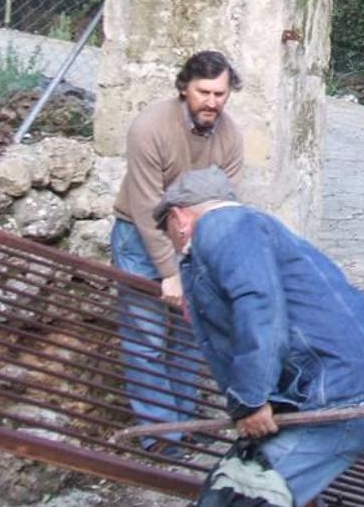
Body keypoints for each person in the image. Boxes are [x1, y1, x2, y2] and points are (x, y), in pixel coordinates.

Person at [155, 167, 364, 505]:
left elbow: (259, 306)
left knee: (243, 496)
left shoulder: (223, 226)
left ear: (179, 217)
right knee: (228, 488)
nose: (171, 242)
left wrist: (251, 399)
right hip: (339, 388)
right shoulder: (247, 231)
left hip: (345, 392)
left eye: (166, 231)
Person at [110, 50, 244, 452]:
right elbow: (145, 204)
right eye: (203, 92)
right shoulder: (150, 127)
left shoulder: (230, 135)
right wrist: (169, 272)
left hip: (196, 242)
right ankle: (161, 436)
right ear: (185, 87)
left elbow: (224, 206)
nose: (212, 102)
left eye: (220, 93)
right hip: (141, 235)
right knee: (147, 340)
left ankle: (186, 425)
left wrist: (202, 263)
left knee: (192, 336)